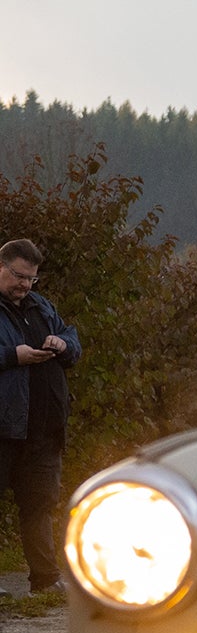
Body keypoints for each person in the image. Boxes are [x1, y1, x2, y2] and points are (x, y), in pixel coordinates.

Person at [0, 240, 81, 593]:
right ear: (1, 266)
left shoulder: (42, 306)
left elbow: (72, 339)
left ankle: (46, 580)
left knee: (39, 505)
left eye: (31, 278)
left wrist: (63, 345)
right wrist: (11, 356)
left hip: (43, 429)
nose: (24, 285)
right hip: (3, 427)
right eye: (19, 276)